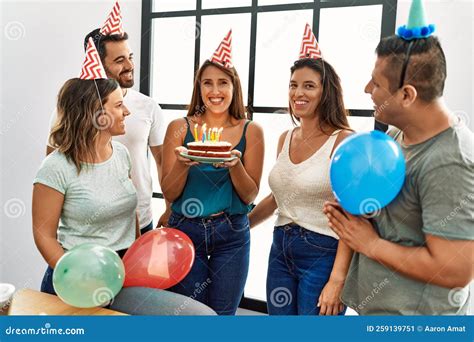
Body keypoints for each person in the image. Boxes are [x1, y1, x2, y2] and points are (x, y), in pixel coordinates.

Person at [324, 0, 473, 315]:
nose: (367, 89)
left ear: (407, 94)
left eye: (376, 84)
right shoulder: (394, 137)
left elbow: (455, 270)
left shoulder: (450, 161)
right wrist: (361, 210)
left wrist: (370, 243)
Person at [249, 24, 353, 315]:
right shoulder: (286, 137)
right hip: (281, 249)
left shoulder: (344, 141)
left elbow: (352, 214)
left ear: (326, 91)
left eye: (309, 85)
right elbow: (279, 197)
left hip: (324, 253)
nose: (298, 92)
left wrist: (337, 279)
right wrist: (237, 228)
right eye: (294, 85)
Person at [161, 30, 265, 315]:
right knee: (193, 314)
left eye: (223, 83)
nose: (215, 91)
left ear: (234, 88)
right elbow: (169, 193)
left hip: (231, 231)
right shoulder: (179, 128)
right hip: (185, 228)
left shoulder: (251, 130)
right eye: (207, 83)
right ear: (199, 87)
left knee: (222, 316)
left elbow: (250, 193)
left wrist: (235, 166)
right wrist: (183, 163)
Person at [46, 2, 167, 234]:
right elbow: (54, 166)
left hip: (138, 219)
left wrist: (170, 206)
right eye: (120, 60)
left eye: (130, 56)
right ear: (99, 65)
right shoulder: (68, 111)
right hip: (86, 226)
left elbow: (162, 164)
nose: (131, 65)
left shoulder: (148, 107)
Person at [34, 40, 137, 294]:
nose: (127, 111)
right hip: (77, 278)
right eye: (118, 105)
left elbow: (130, 216)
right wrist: (79, 280)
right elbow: (44, 235)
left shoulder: (122, 154)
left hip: (122, 272)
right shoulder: (55, 167)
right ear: (97, 114)